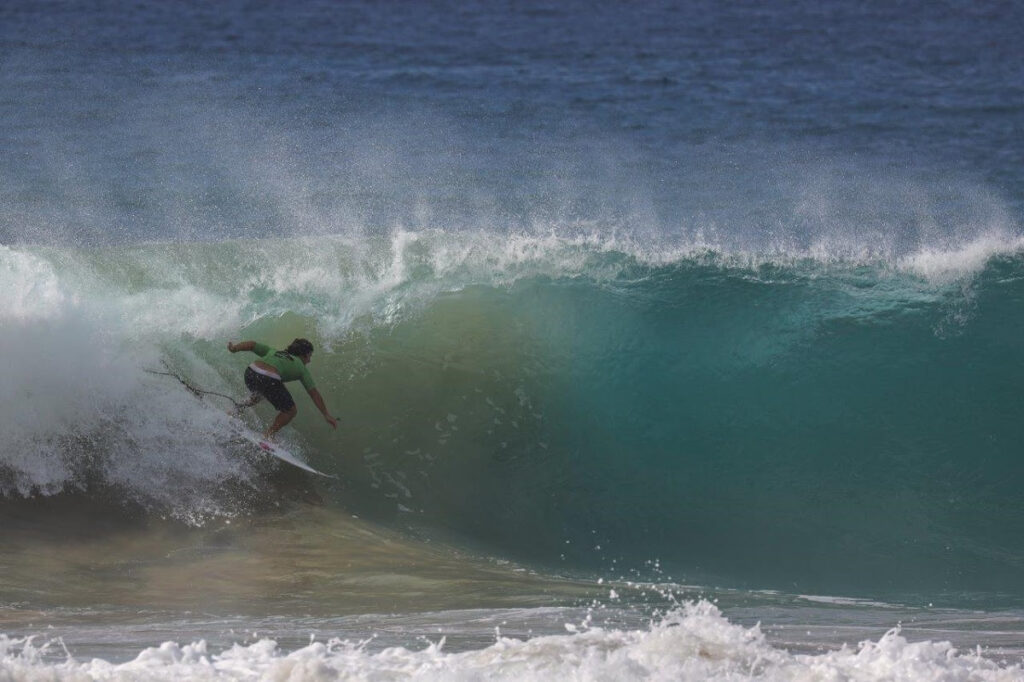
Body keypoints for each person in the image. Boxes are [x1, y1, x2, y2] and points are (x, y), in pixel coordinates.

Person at [228, 338, 338, 439]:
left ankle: (236, 409)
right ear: (303, 355)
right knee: (291, 411)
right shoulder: (301, 367)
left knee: (260, 394)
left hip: (250, 372)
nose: (309, 360)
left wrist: (234, 349)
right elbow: (314, 394)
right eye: (309, 356)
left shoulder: (274, 351)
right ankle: (268, 435)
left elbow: (252, 345)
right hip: (269, 378)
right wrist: (326, 414)